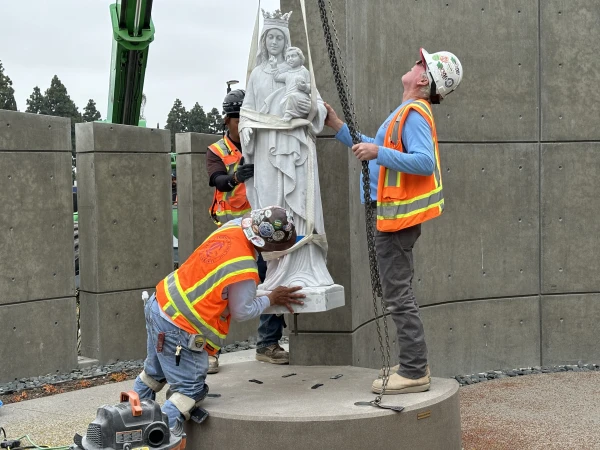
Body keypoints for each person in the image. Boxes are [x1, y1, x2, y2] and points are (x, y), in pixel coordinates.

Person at [324, 48, 463, 394]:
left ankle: (415, 371)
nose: (414, 63)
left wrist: (378, 153)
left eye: (420, 63)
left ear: (423, 79)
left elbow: (423, 162)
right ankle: (412, 363)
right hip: (391, 216)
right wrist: (338, 127)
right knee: (396, 291)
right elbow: (374, 146)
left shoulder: (415, 113)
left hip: (396, 220)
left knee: (398, 294)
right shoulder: (406, 112)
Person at [133, 206, 305, 434]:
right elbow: (242, 310)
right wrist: (272, 298)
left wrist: (265, 293)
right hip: (179, 326)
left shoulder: (231, 228)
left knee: (153, 373)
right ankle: (157, 437)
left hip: (160, 303)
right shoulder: (244, 268)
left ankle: (127, 419)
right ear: (268, 246)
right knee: (189, 391)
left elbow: (229, 288)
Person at [239, 9, 335, 292]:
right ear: (264, 41)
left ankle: (305, 266)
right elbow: (248, 109)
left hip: (294, 144)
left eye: (280, 37)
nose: (274, 42)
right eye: (270, 37)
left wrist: (307, 109)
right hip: (268, 147)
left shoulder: (298, 71)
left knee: (299, 203)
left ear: (286, 41)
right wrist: (246, 126)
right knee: (271, 204)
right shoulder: (256, 74)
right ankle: (278, 269)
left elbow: (317, 105)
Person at [206, 89, 290, 373]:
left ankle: (268, 343)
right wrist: (234, 178)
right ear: (227, 120)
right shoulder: (218, 151)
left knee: (271, 281)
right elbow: (217, 180)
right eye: (238, 118)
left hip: (263, 236)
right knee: (222, 292)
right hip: (232, 235)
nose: (243, 124)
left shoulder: (263, 145)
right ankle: (210, 351)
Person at [268, 46, 311, 121]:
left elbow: (311, 87)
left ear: (300, 57)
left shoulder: (304, 71)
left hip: (301, 97)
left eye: (293, 56)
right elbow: (277, 77)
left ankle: (288, 115)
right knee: (287, 100)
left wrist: (304, 87)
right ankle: (290, 113)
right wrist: (274, 66)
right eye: (288, 57)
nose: (290, 59)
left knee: (292, 97)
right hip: (289, 97)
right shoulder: (288, 74)